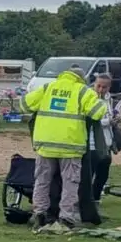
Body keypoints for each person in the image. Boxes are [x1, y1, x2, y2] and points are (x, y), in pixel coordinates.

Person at [22, 66, 107, 229]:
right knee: (70, 183)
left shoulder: (48, 87)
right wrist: (99, 99)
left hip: (45, 144)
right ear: (81, 79)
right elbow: (98, 112)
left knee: (42, 181)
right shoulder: (82, 91)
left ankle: (39, 213)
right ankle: (66, 217)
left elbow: (24, 104)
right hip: (71, 146)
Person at [89, 73, 117, 203]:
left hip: (106, 142)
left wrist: (116, 119)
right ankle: (87, 199)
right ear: (94, 84)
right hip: (92, 142)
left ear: (109, 87)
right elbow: (92, 121)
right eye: (98, 86)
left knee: (103, 173)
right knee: (91, 172)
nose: (100, 89)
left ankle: (95, 197)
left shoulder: (108, 99)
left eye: (104, 87)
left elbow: (108, 115)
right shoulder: (89, 98)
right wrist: (108, 122)